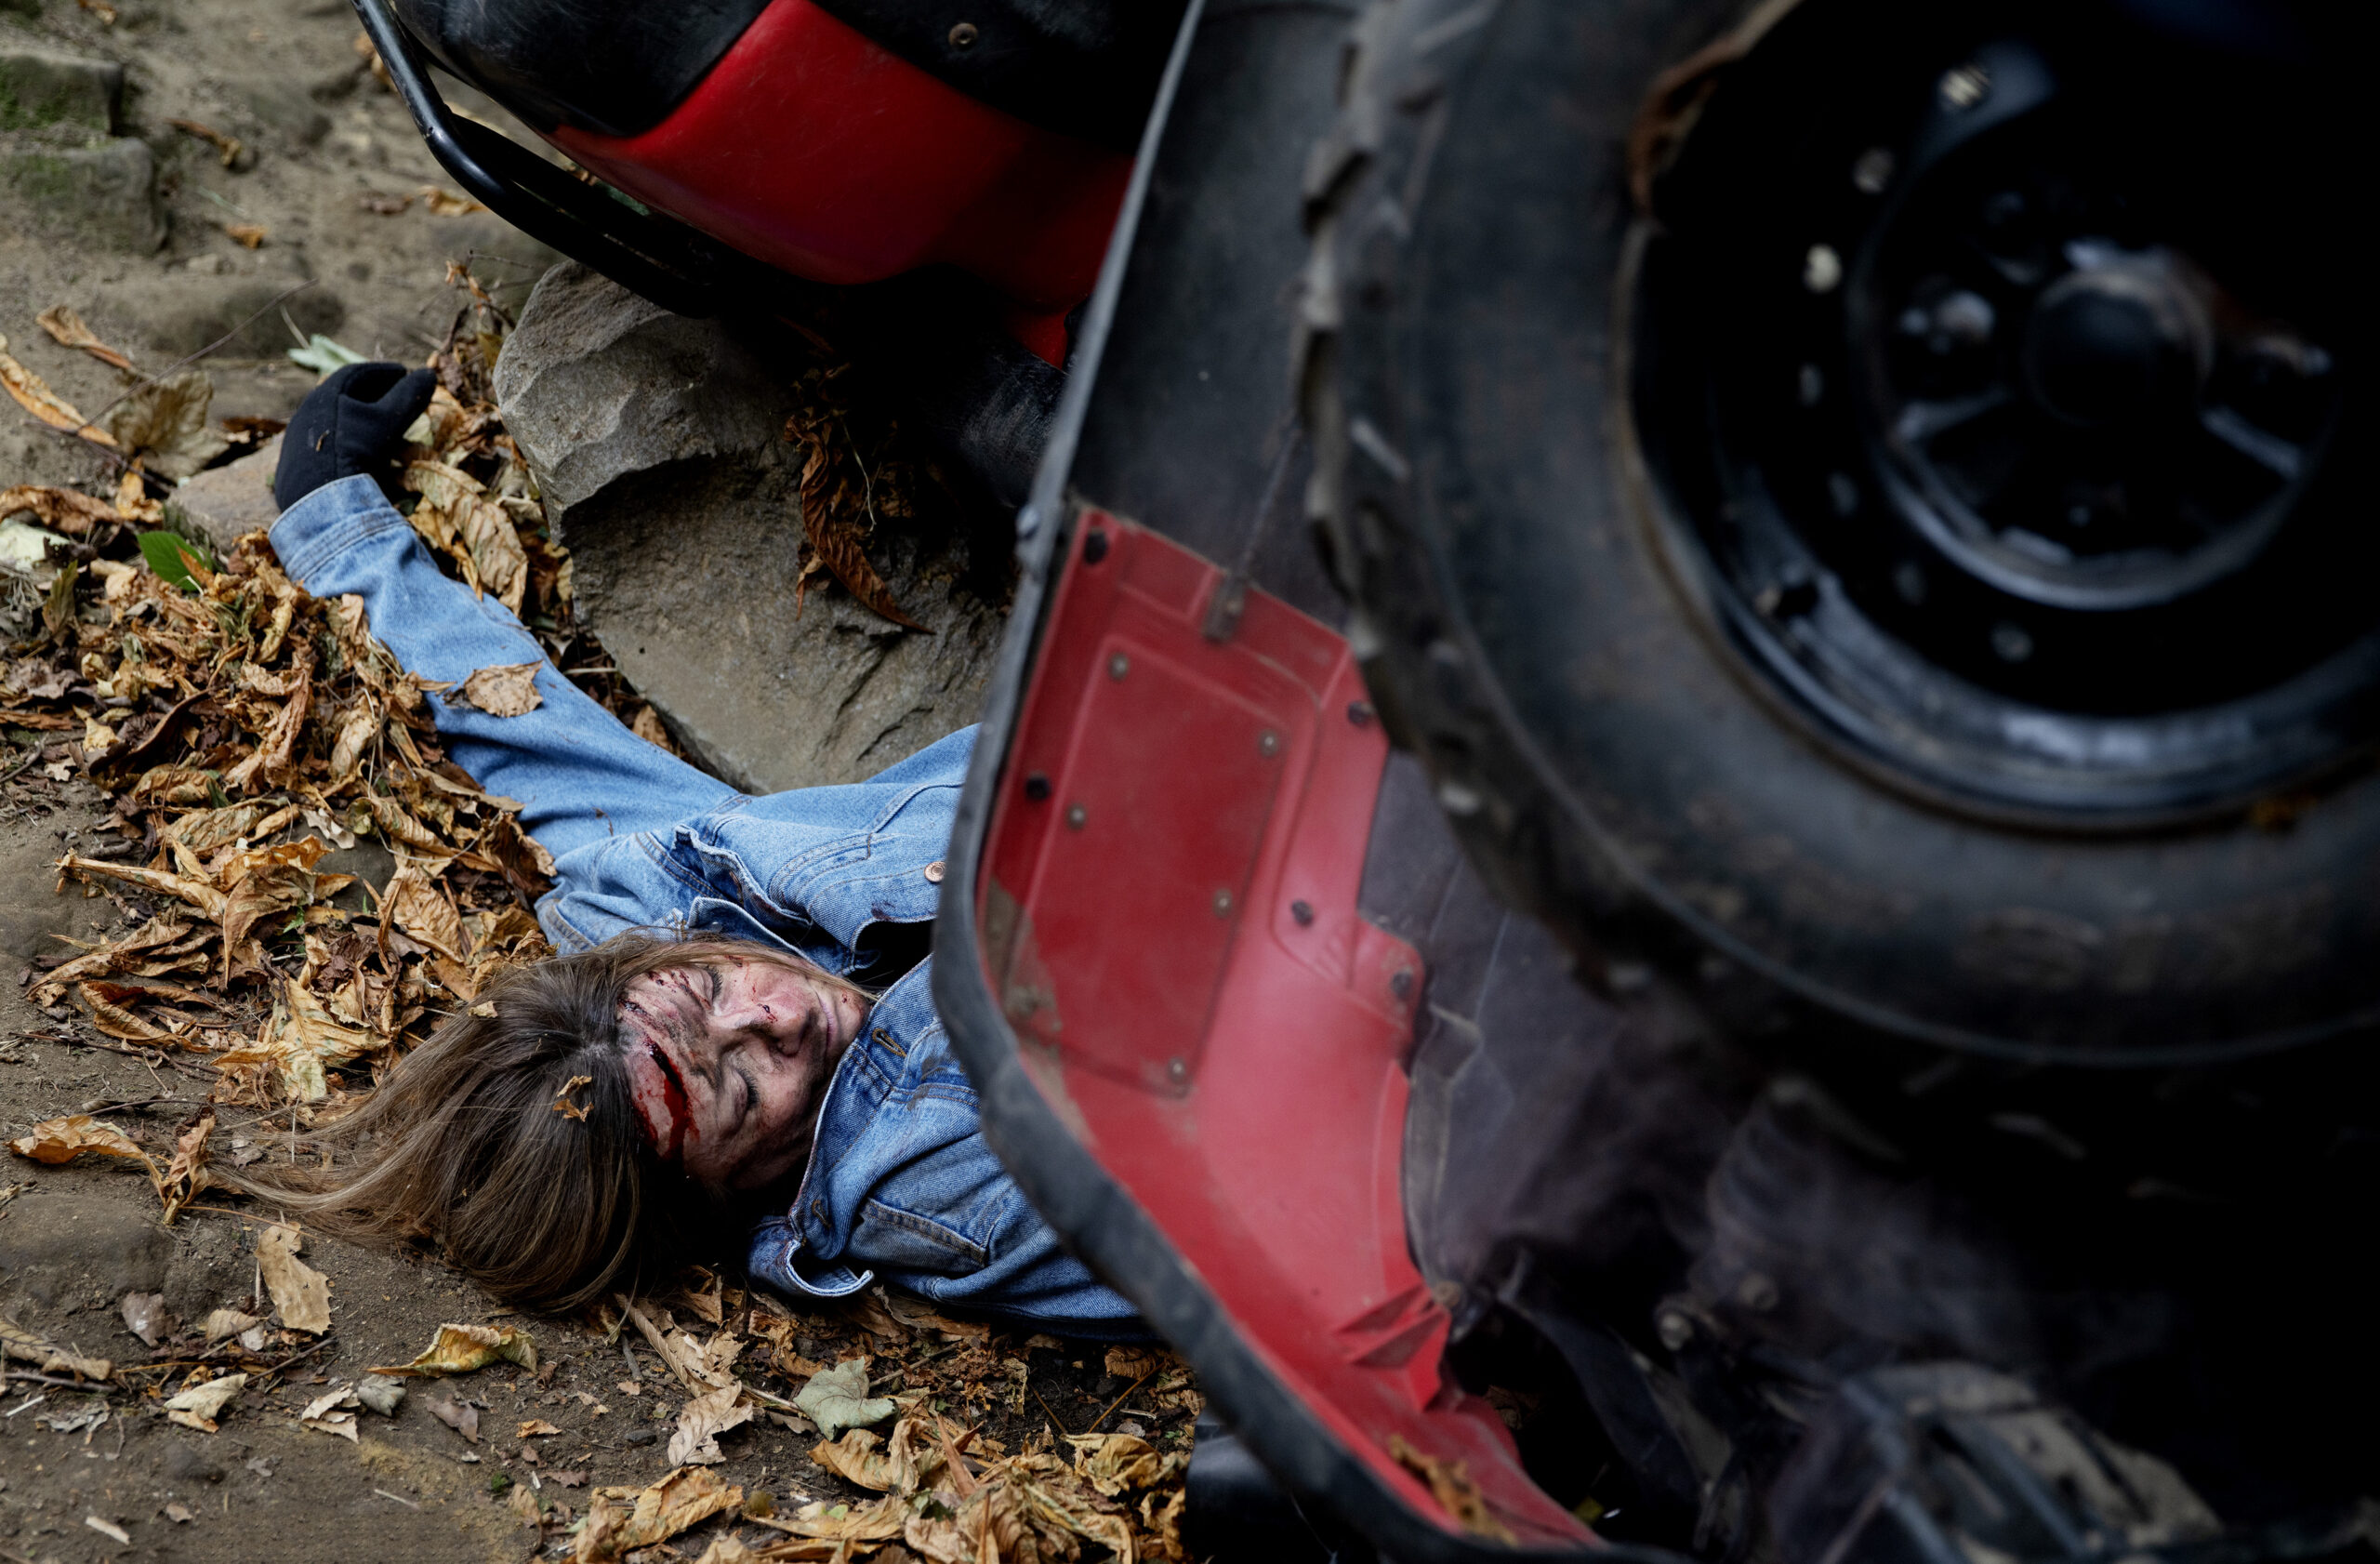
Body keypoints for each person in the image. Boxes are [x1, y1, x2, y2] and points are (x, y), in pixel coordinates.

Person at [239, 362, 1137, 1333]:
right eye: (745, 1089)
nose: (778, 1007)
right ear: (723, 1209)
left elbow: (521, 730)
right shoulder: (951, 1186)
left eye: (708, 988)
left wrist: (334, 523)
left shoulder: (649, 916)